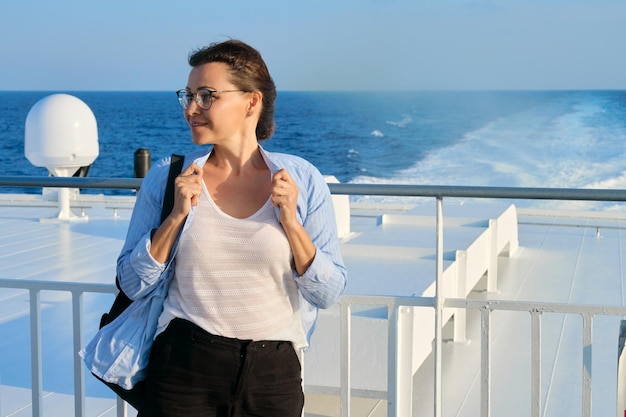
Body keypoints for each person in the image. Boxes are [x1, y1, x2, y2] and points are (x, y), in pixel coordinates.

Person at [115, 39, 347, 416]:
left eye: (207, 96)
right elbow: (131, 282)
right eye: (187, 95)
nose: (191, 108)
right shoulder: (167, 177)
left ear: (251, 102)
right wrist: (175, 217)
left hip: (273, 374)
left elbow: (328, 291)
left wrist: (290, 222)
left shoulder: (303, 180)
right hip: (183, 368)